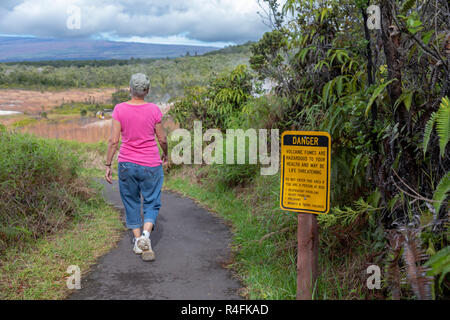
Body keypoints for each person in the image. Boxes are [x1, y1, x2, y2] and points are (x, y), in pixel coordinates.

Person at [105, 73, 168, 262]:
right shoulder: (154, 110)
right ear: (147, 91)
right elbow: (162, 138)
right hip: (151, 164)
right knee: (152, 201)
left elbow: (113, 141)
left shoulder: (119, 109)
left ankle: (137, 238)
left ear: (129, 89)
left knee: (131, 201)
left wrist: (108, 164)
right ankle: (145, 237)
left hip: (126, 164)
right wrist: (166, 153)